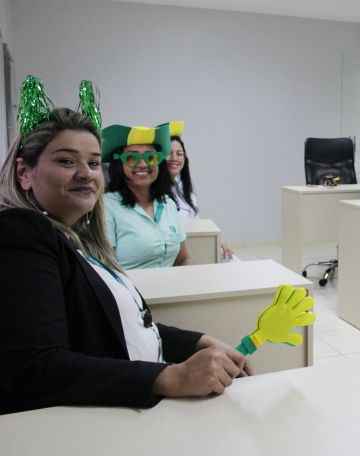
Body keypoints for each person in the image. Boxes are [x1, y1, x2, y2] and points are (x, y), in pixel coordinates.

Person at [0, 77, 249, 415]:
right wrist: (170, 377)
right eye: (66, 161)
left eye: (92, 162)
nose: (86, 173)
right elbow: (37, 368)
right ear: (24, 173)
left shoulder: (80, 239)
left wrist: (197, 341)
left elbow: (117, 326)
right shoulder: (22, 233)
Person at [103, 121, 189, 269]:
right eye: (131, 158)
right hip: (129, 291)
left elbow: (183, 259)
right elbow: (107, 270)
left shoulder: (168, 204)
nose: (143, 164)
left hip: (169, 290)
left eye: (150, 157)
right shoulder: (107, 206)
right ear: (119, 165)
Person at [166, 121, 234, 260]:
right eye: (169, 153)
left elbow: (196, 222)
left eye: (179, 154)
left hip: (196, 245)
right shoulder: (155, 192)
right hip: (178, 254)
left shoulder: (185, 189)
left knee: (231, 259)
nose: (174, 158)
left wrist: (218, 241)